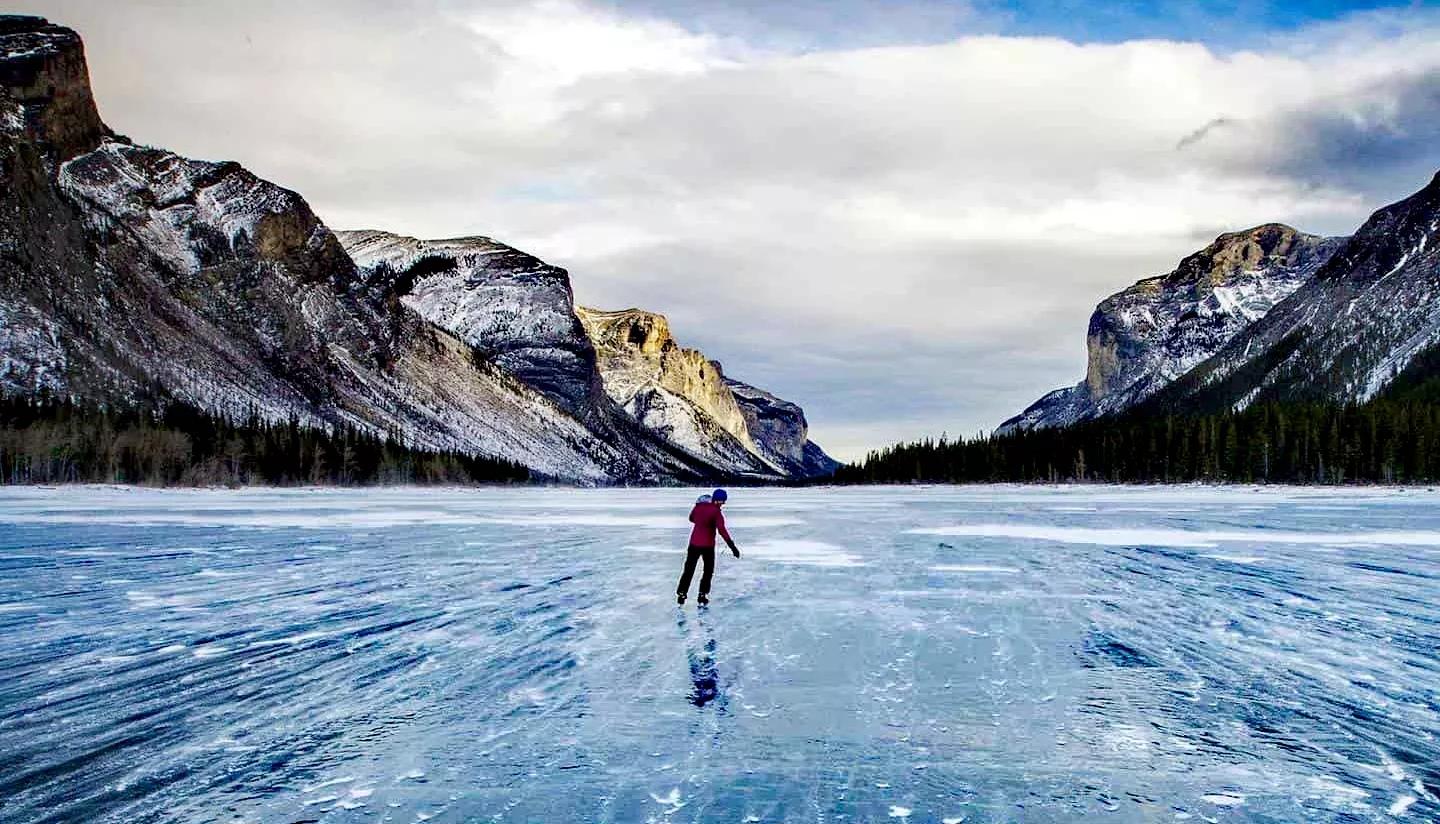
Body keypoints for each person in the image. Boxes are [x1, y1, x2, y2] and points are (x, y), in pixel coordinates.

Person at [677, 488, 740, 606]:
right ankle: (702, 595)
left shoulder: (698, 507)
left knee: (688, 570)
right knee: (708, 571)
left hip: (694, 544)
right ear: (718, 500)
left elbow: (691, 518)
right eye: (722, 501)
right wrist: (732, 547)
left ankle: (682, 593)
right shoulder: (716, 512)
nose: (723, 504)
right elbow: (722, 530)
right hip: (708, 547)